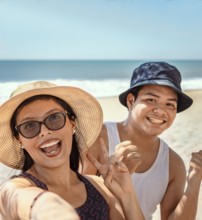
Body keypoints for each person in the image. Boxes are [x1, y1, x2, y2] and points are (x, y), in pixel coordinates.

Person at [0, 81, 144, 220]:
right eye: (29, 126)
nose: (44, 131)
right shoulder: (14, 189)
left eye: (54, 118)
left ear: (72, 124)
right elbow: (19, 199)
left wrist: (127, 195)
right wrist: (48, 207)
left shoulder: (99, 186)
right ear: (19, 140)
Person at [82, 61, 202, 220]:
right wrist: (108, 183)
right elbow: (76, 204)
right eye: (151, 100)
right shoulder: (100, 138)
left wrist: (193, 185)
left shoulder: (173, 164)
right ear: (131, 101)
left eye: (170, 104)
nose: (160, 111)